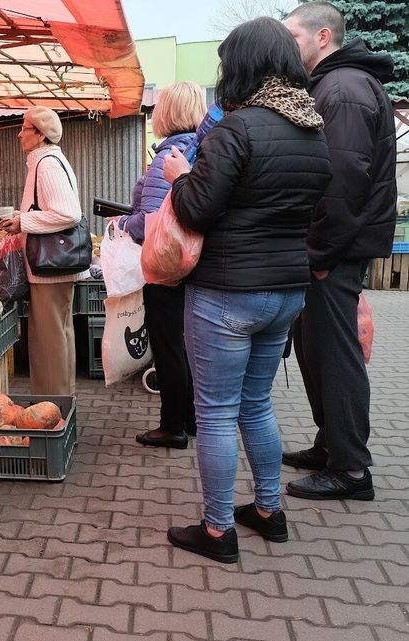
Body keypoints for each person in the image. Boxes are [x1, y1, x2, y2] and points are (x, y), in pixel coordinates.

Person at [162, 17, 332, 563]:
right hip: (286, 290)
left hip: (227, 292)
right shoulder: (313, 129)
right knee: (255, 405)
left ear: (243, 65)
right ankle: (267, 510)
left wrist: (178, 176)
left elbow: (195, 208)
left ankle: (217, 531)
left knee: (214, 412)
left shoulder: (238, 130)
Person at [282, 2, 397, 502]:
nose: (288, 46)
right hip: (331, 246)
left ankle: (351, 470)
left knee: (335, 354)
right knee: (317, 351)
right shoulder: (335, 85)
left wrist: (321, 251)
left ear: (322, 35)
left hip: (335, 249)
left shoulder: (344, 89)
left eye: (293, 37)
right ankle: (332, 446)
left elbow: (343, 181)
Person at [116, 82, 208, 449]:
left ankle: (172, 427)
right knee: (187, 348)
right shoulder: (201, 148)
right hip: (194, 265)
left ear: (167, 111)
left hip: (167, 268)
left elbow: (152, 221)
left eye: (157, 107)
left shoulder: (169, 154)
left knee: (169, 347)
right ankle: (191, 419)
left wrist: (121, 224)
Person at [0, 107, 87, 396]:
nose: (19, 133)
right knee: (58, 336)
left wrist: (24, 221)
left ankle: (52, 409)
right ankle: (60, 404)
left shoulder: (46, 164)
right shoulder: (45, 161)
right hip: (52, 269)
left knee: (49, 342)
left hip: (49, 269)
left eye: (25, 128)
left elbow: (68, 213)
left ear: (40, 134)